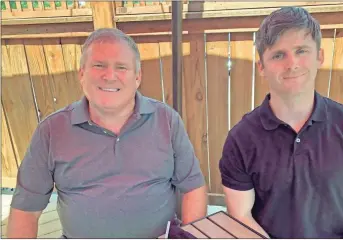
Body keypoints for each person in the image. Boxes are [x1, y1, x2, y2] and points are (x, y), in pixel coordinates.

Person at [7, 28, 208, 238]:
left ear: (137, 77)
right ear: (82, 74)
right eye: (99, 65)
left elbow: (193, 187)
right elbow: (26, 210)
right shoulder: (51, 130)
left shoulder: (166, 120)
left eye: (121, 67)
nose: (110, 76)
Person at [219, 6, 343, 239]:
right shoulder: (240, 139)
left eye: (301, 50)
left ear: (319, 56)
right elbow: (241, 217)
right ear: (261, 67)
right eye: (278, 55)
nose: (292, 63)